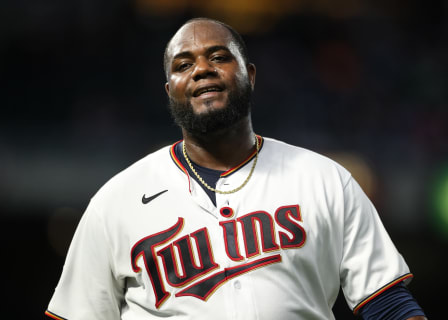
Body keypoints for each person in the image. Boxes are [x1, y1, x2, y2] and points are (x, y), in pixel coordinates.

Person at [45, 18, 427, 319]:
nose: (201, 70)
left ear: (251, 76)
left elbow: (388, 305)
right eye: (183, 64)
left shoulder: (325, 180)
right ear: (170, 91)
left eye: (218, 57)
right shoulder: (116, 201)